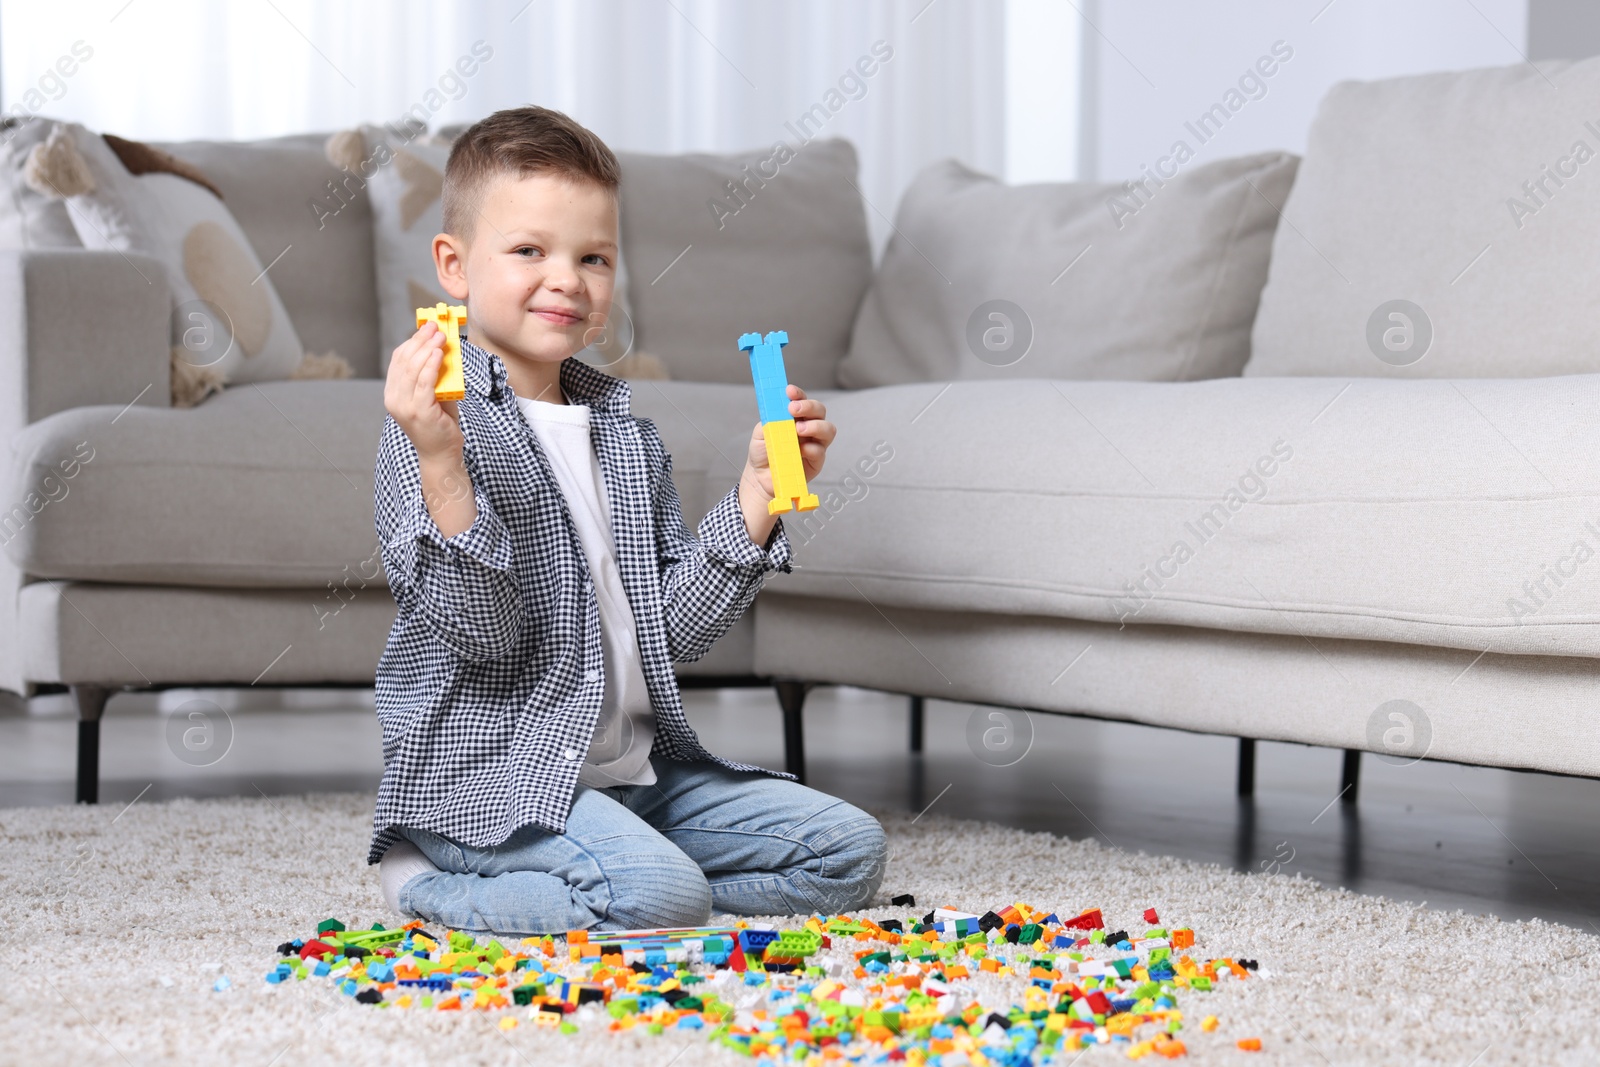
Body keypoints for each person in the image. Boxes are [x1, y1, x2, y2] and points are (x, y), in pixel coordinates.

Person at [368, 106, 886, 937]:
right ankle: (424, 882)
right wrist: (439, 461)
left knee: (847, 853)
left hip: (632, 778)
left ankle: (624, 881)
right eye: (530, 250)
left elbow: (671, 631)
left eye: (594, 257)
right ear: (454, 266)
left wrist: (757, 492)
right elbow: (487, 636)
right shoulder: (431, 431)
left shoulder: (625, 437)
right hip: (490, 779)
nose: (568, 278)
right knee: (661, 896)